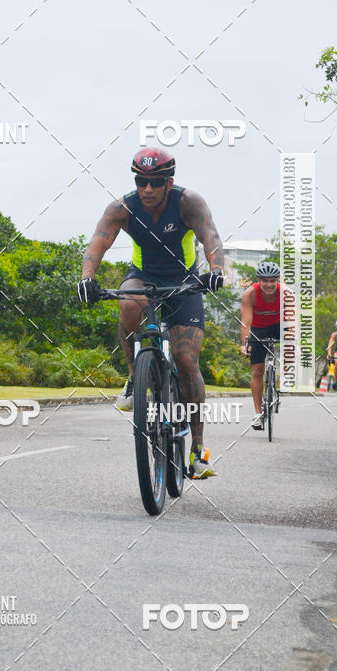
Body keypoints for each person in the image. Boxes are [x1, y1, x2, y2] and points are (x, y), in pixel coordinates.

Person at [76, 147, 224, 478]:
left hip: (184, 280)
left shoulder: (188, 203)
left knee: (187, 361)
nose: (147, 189)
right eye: (141, 181)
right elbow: (98, 242)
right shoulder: (123, 208)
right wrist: (87, 278)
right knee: (128, 302)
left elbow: (210, 236)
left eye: (155, 182)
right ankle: (134, 379)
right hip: (145, 276)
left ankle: (198, 451)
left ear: (169, 183)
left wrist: (216, 269)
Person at [240, 261, 285, 429]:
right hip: (259, 328)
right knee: (257, 370)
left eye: (273, 280)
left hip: (280, 325)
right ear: (259, 280)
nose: (269, 284)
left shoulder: (285, 293)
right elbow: (246, 323)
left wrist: (295, 343)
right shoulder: (250, 294)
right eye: (265, 280)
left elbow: (293, 319)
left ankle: (280, 387)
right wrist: (245, 344)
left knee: (292, 351)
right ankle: (258, 414)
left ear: (277, 281)